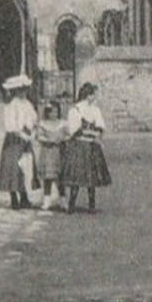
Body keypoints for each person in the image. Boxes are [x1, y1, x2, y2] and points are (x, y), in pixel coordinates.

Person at [61, 82, 112, 213]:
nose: (94, 97)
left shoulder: (95, 110)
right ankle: (71, 204)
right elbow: (73, 130)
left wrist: (96, 132)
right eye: (92, 95)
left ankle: (91, 204)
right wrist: (88, 131)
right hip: (79, 145)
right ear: (88, 95)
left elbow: (100, 126)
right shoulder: (76, 109)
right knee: (77, 176)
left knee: (92, 176)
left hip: (91, 145)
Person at [0, 75, 37, 210]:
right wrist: (20, 133)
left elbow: (33, 119)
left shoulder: (28, 104)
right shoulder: (11, 106)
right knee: (12, 168)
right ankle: (14, 197)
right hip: (14, 140)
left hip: (25, 139)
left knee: (25, 169)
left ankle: (24, 197)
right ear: (15, 91)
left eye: (24, 90)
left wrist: (31, 132)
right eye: (20, 90)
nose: (23, 93)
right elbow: (10, 125)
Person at [34, 101, 70, 210]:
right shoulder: (43, 124)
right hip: (48, 152)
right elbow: (39, 136)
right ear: (47, 113)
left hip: (60, 152)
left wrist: (62, 139)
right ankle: (46, 200)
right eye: (51, 112)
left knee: (60, 178)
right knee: (48, 178)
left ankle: (63, 200)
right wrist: (48, 140)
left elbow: (68, 135)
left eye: (55, 112)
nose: (53, 114)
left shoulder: (63, 123)